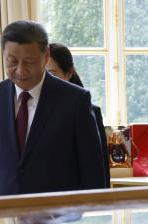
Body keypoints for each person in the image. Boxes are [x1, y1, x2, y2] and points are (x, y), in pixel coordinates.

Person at [0, 20, 106, 197]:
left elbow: (93, 173)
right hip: (4, 217)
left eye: (29, 62)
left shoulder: (75, 100)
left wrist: (91, 218)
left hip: (60, 219)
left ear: (46, 56)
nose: (20, 71)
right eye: (12, 61)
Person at [46, 42, 109, 188]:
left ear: (69, 74)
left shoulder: (90, 111)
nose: (46, 82)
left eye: (52, 75)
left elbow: (99, 171)